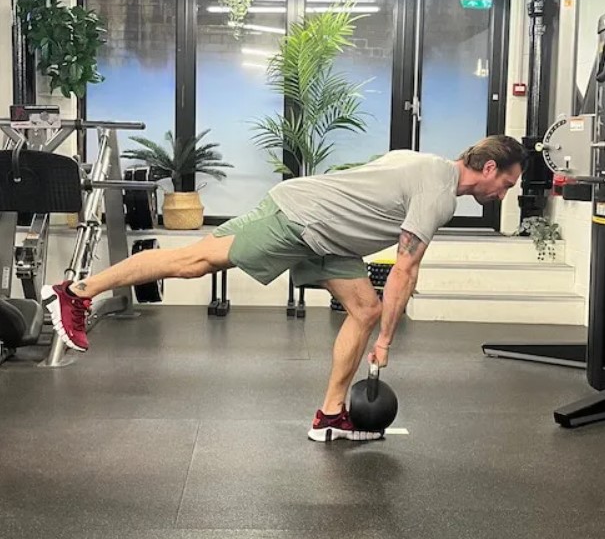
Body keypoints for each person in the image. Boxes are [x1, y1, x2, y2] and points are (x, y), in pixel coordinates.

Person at [41, 135, 527, 442]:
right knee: (195, 261)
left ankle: (331, 414)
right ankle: (78, 291)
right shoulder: (439, 196)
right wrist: (385, 345)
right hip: (299, 220)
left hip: (330, 235)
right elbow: (404, 270)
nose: (502, 194)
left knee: (364, 308)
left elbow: (367, 174)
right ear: (487, 169)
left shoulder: (424, 161)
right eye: (506, 184)